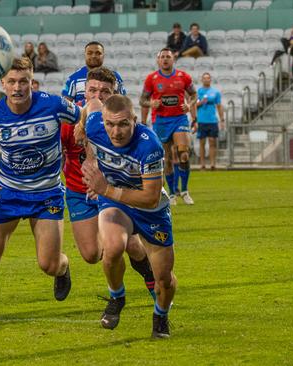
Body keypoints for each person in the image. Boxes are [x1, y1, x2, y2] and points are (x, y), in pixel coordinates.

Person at [0, 57, 79, 323]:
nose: (18, 87)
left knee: (49, 265)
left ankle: (64, 269)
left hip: (47, 194)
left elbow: (82, 115)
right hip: (7, 193)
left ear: (32, 81)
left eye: (23, 81)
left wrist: (83, 133)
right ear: (2, 84)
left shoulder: (52, 105)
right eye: (12, 82)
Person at [80, 94, 176, 338]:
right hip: (114, 202)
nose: (116, 131)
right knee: (112, 249)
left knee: (164, 279)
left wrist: (105, 189)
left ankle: (160, 316)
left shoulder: (149, 145)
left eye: (123, 124)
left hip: (150, 209)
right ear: (102, 121)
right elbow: (91, 103)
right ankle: (116, 297)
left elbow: (151, 197)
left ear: (135, 120)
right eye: (110, 124)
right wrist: (81, 132)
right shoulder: (94, 124)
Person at [62, 67, 156, 299]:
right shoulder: (69, 124)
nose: (98, 96)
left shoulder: (121, 126)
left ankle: (149, 278)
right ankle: (63, 268)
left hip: (113, 193)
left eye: (105, 91)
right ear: (84, 92)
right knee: (91, 254)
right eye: (92, 90)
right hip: (78, 191)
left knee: (130, 246)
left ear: (115, 94)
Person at [140, 48, 197, 206]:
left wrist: (189, 105)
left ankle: (184, 191)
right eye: (162, 57)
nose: (165, 59)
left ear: (173, 60)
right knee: (168, 159)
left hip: (179, 119)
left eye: (168, 57)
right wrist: (151, 103)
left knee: (183, 153)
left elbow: (194, 94)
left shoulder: (183, 76)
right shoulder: (151, 79)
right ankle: (172, 193)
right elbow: (142, 100)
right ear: (158, 60)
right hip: (161, 121)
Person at [195, 72, 225, 170]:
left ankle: (212, 164)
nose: (206, 80)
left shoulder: (215, 92)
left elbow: (219, 106)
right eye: (204, 78)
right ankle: (202, 164)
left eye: (208, 78)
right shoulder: (199, 91)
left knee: (212, 142)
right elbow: (194, 105)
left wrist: (222, 119)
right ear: (202, 80)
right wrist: (201, 102)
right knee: (202, 143)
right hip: (201, 120)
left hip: (212, 120)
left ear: (210, 80)